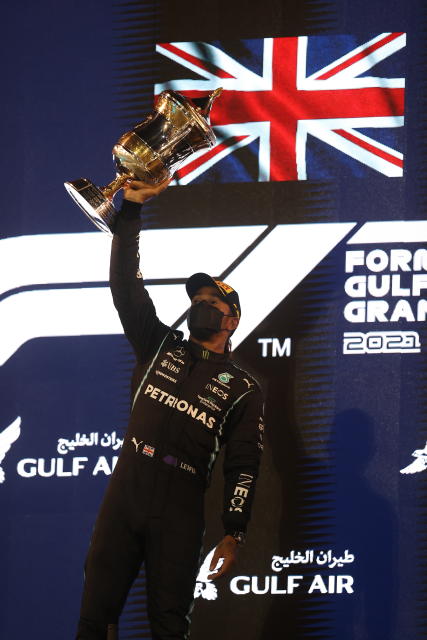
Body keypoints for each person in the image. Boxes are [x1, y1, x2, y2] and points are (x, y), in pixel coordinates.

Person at [76, 180, 265, 640]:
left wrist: (233, 532)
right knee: (95, 616)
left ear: (231, 319)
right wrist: (132, 208)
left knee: (167, 624)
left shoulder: (243, 387)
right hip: (128, 486)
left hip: (181, 502)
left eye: (212, 303)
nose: (200, 306)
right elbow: (125, 284)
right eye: (196, 301)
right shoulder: (158, 345)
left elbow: (243, 465)